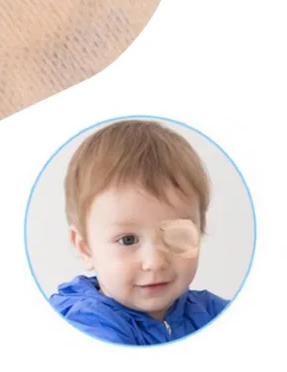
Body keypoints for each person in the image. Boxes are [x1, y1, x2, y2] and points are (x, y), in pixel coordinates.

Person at [49, 119, 228, 345]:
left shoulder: (211, 312)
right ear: (85, 248)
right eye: (128, 240)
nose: (155, 262)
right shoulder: (89, 326)